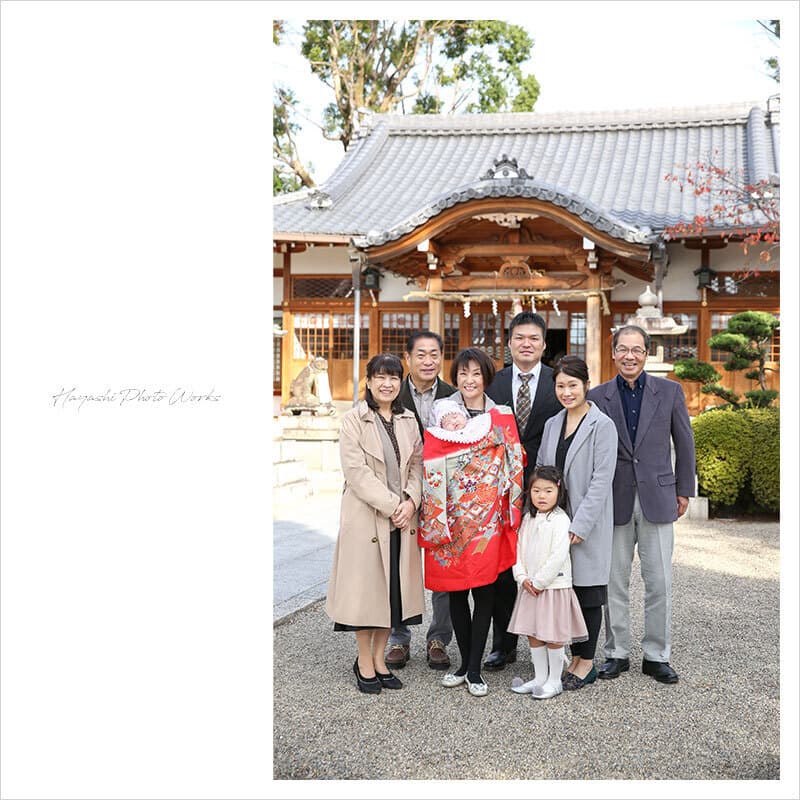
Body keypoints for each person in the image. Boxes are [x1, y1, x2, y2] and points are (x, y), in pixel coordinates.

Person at [588, 325, 696, 684]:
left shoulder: (669, 391)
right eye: (623, 349)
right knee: (613, 580)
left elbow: (684, 442)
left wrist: (684, 489)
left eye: (636, 350)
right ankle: (616, 652)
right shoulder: (597, 396)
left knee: (659, 581)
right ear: (614, 352)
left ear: (646, 354)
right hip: (613, 499)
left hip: (659, 495)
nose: (629, 356)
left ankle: (656, 655)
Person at [418, 348, 525, 697]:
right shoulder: (445, 416)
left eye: (476, 373)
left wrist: (509, 506)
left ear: (486, 378)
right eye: (462, 373)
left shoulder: (500, 415)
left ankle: (476, 668)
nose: (469, 380)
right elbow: (431, 463)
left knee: (485, 592)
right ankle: (463, 663)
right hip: (451, 520)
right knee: (455, 593)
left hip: (487, 522)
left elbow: (515, 463)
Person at [325, 353, 424, 694]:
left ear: (400, 382)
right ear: (368, 381)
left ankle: (380, 660)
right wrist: (394, 504)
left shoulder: (408, 419)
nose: (387, 383)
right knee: (367, 596)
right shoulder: (354, 420)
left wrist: (412, 500)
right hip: (368, 519)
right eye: (380, 377)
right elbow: (356, 472)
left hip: (401, 520)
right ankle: (364, 662)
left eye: (394, 377)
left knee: (391, 596)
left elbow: (417, 466)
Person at [483, 311, 562, 670]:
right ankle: (504, 643)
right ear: (509, 342)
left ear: (544, 344)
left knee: (547, 562)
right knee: (505, 569)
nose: (526, 344)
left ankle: (552, 642)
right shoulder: (493, 383)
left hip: (546, 488)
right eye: (519, 338)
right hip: (502, 489)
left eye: (534, 338)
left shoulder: (558, 382)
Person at [537, 356, 618, 690]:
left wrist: (579, 525)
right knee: (563, 590)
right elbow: (542, 468)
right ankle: (572, 655)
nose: (567, 392)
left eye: (573, 385)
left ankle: (586, 661)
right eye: (560, 385)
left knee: (587, 591)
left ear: (587, 384)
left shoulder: (603, 425)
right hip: (555, 522)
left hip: (586, 524)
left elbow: (602, 481)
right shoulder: (553, 423)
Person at [386, 330, 457, 671]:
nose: (428, 361)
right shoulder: (392, 395)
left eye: (434, 354)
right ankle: (398, 638)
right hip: (403, 495)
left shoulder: (453, 396)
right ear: (408, 358)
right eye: (421, 354)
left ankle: (439, 637)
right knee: (401, 564)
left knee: (443, 567)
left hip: (446, 496)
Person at [508, 465, 588, 699]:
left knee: (553, 635)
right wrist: (522, 577)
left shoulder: (561, 520)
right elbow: (518, 550)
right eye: (536, 491)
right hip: (529, 587)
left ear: (558, 492)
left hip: (552, 587)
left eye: (548, 491)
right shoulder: (527, 519)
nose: (542, 496)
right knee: (534, 633)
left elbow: (558, 555)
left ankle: (554, 680)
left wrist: (540, 581)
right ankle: (540, 677)